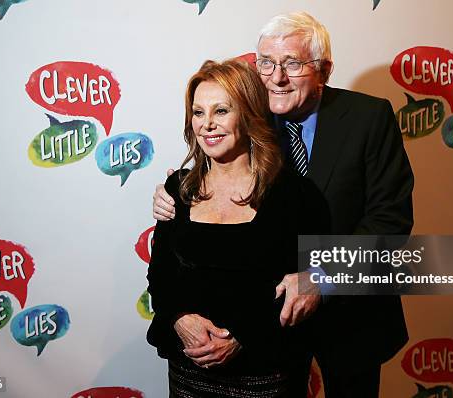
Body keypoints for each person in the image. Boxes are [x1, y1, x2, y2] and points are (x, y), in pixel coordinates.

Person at [152, 12, 414, 397]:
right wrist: (170, 194)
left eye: (293, 64)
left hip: (347, 315)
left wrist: (321, 277)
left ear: (324, 69)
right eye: (266, 63)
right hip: (268, 328)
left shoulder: (369, 118)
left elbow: (389, 221)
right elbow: (215, 178)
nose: (277, 78)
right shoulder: (247, 112)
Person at [146, 59, 330, 397]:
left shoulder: (293, 194)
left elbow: (308, 288)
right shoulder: (178, 189)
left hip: (266, 378)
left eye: (221, 111)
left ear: (246, 114)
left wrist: (242, 338)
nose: (207, 125)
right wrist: (178, 319)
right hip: (188, 376)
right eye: (198, 113)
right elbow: (160, 276)